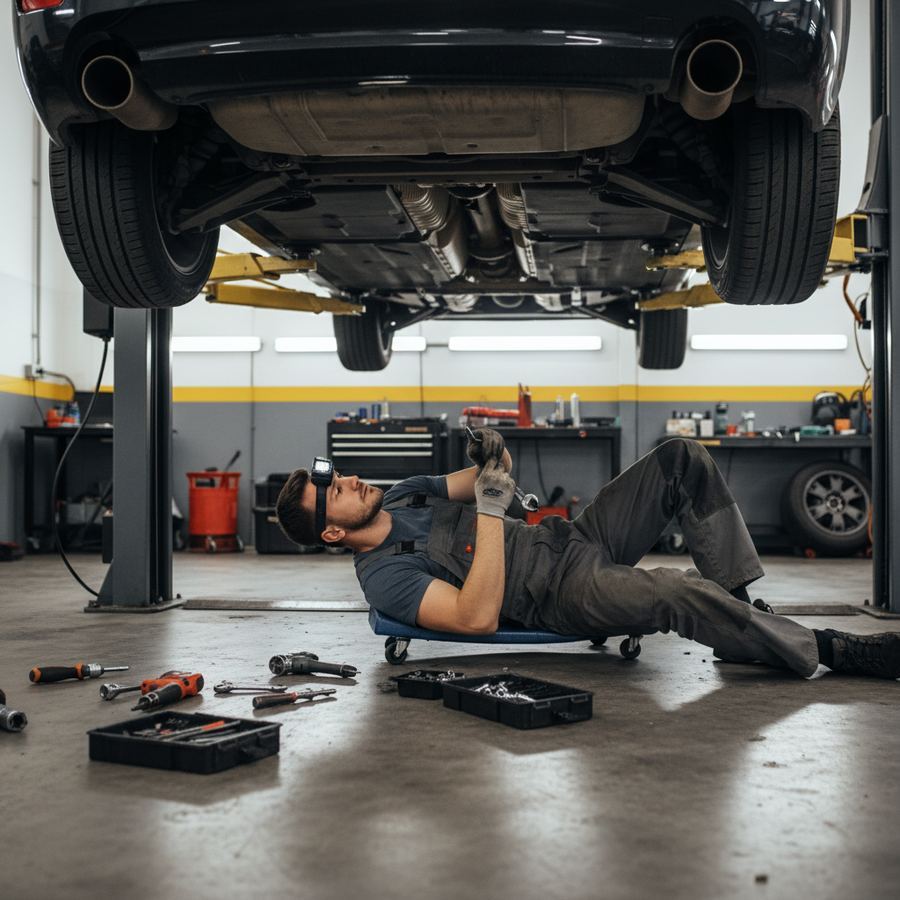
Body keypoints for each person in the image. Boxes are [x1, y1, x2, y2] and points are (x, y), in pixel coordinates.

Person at [276, 430, 900, 680]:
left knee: (680, 458)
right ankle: (830, 650)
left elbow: (483, 478)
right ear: (331, 534)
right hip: (559, 597)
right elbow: (475, 619)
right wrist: (493, 511)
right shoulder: (384, 577)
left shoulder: (406, 492)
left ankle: (738, 615)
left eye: (338, 476)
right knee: (673, 591)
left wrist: (489, 455)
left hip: (573, 537)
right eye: (333, 492)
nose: (350, 480)